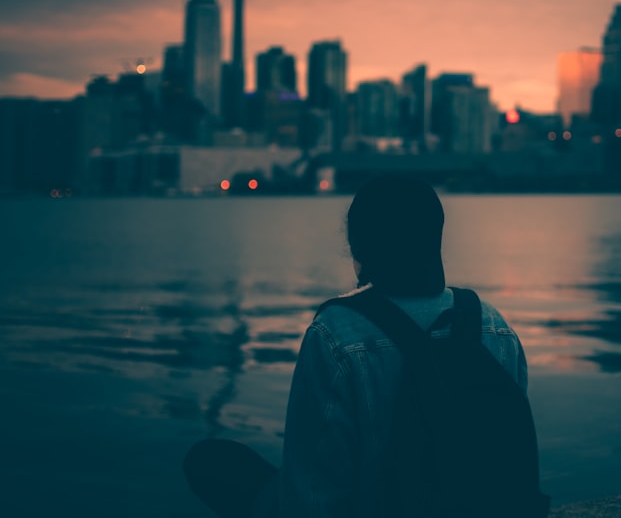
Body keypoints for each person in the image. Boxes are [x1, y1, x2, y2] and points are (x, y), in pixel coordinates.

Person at [185, 174, 540, 517]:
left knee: (212, 462)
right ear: (436, 239)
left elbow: (314, 486)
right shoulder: (493, 325)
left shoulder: (336, 333)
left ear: (358, 249)